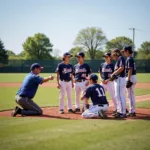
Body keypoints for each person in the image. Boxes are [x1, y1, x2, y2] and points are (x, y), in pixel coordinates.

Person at [121, 46, 137, 116]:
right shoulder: (130, 58)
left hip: (131, 77)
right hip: (132, 77)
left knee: (130, 95)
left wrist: (128, 80)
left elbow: (130, 69)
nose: (123, 53)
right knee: (131, 95)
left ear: (127, 51)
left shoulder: (129, 59)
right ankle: (132, 110)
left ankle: (132, 111)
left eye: (124, 51)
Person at [111, 49, 127, 118]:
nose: (112, 55)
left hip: (120, 79)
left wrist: (114, 73)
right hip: (118, 79)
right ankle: (119, 111)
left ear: (116, 53)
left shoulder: (121, 58)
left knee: (120, 96)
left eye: (113, 53)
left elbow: (122, 68)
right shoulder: (118, 60)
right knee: (118, 96)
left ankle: (123, 112)